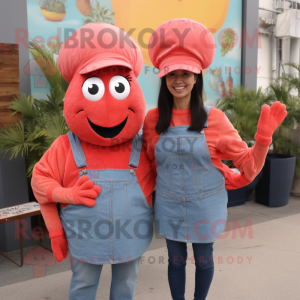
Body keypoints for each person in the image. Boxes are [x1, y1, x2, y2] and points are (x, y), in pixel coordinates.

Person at [143, 18, 287, 300]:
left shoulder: (215, 119)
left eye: (186, 73)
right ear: (164, 78)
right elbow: (148, 165)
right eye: (173, 74)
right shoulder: (152, 120)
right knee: (175, 260)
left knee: (205, 259)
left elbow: (248, 164)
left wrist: (262, 140)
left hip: (205, 206)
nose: (179, 79)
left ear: (196, 77)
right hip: (169, 205)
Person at [31, 22, 156, 300]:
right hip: (85, 240)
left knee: (126, 286)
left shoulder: (143, 144)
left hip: (130, 237)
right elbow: (40, 181)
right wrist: (67, 195)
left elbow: (173, 171)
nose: (109, 104)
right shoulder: (66, 145)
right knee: (84, 284)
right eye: (94, 87)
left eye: (120, 87)